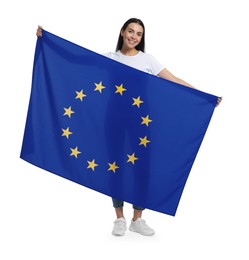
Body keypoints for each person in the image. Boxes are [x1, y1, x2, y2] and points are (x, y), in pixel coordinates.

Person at [36, 19, 222, 237]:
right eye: (131, 31)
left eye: (139, 34)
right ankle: (119, 218)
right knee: (115, 164)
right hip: (113, 118)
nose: (134, 36)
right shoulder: (110, 58)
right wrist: (47, 41)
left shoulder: (148, 60)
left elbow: (173, 80)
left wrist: (205, 97)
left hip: (141, 121)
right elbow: (80, 59)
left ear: (142, 38)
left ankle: (138, 218)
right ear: (123, 32)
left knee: (142, 166)